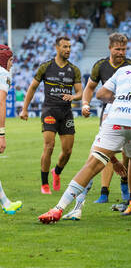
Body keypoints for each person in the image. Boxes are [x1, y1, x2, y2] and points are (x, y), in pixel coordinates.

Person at [38, 45, 131, 225]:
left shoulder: (125, 70)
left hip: (116, 118)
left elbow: (102, 94)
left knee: (92, 164)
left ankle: (58, 208)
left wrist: (121, 101)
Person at [20, 37, 83, 194]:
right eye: (64, 47)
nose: (68, 49)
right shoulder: (46, 67)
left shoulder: (74, 70)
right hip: (49, 110)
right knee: (49, 146)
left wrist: (73, 97)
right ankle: (44, 183)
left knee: (67, 151)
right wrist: (25, 109)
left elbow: (80, 93)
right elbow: (33, 87)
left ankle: (57, 172)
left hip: (66, 113)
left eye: (69, 47)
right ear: (57, 48)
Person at [81, 32, 131, 204]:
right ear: (110, 48)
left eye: (124, 49)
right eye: (118, 49)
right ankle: (104, 192)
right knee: (106, 151)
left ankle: (125, 185)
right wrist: (85, 103)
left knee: (127, 152)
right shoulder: (101, 66)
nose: (121, 52)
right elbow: (90, 88)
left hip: (129, 113)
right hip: (109, 113)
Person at [0, 45, 22, 214]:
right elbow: (1, 103)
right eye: (10, 60)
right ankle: (5, 202)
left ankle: (5, 202)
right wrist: (1, 134)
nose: (12, 64)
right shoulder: (3, 74)